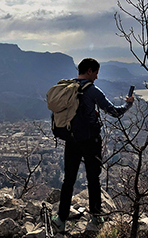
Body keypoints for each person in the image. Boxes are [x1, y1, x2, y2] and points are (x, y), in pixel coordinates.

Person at [52, 58, 134, 231]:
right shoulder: (92, 90)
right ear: (89, 71)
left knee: (69, 179)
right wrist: (128, 104)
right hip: (90, 141)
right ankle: (96, 217)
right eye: (96, 72)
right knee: (93, 178)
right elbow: (114, 112)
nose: (96, 77)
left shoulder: (68, 88)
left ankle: (61, 218)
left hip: (72, 140)